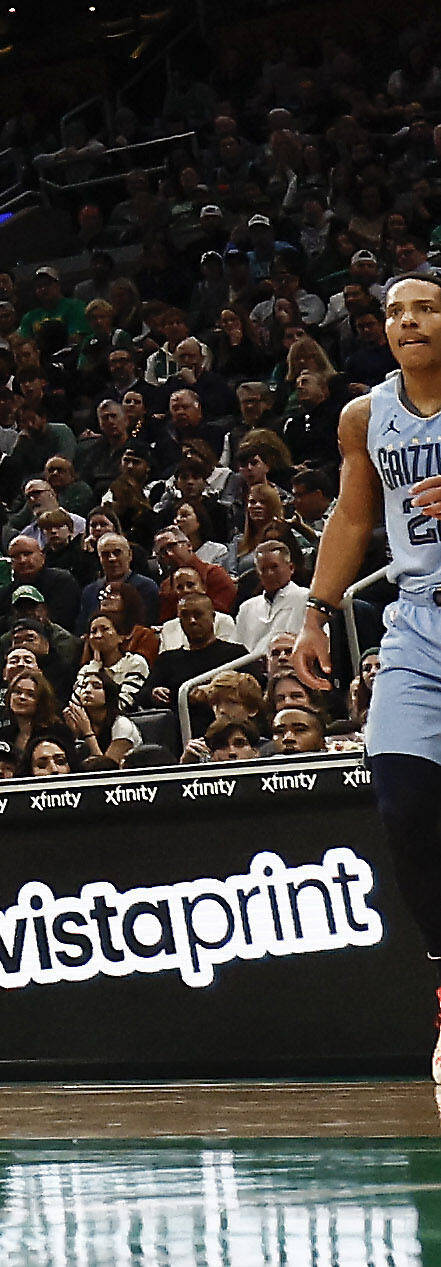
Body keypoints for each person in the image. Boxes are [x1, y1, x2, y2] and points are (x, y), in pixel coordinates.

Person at [299, 269, 441, 1086]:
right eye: (394, 311)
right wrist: (315, 614)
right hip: (418, 618)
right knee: (402, 802)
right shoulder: (365, 415)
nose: (407, 319)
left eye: (424, 307)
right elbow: (354, 516)